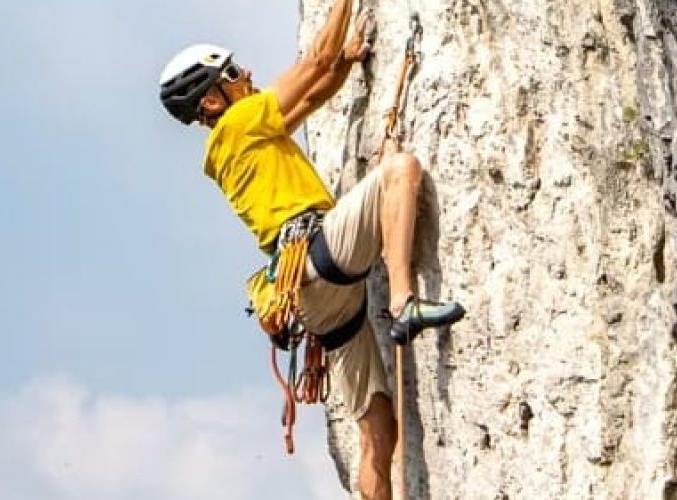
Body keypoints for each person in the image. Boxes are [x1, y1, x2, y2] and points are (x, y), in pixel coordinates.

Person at [157, 1, 465, 498]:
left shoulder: (240, 142)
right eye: (232, 73)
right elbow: (314, 66)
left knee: (376, 432)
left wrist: (345, 61)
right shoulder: (239, 124)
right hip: (320, 255)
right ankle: (405, 301)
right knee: (399, 170)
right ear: (212, 102)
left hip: (314, 298)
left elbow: (314, 92)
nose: (247, 74)